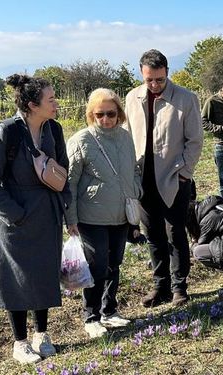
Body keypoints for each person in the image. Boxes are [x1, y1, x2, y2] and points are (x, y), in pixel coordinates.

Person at [0, 74, 71, 363]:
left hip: (47, 214)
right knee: (14, 279)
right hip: (14, 220)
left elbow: (64, 169)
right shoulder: (5, 132)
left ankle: (41, 334)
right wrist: (14, 215)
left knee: (43, 273)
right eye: (51, 99)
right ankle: (19, 342)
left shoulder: (53, 130)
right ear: (32, 104)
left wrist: (64, 206)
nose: (56, 103)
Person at [124, 49, 204, 308]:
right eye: (150, 80)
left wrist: (184, 174)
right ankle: (161, 286)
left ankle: (180, 287)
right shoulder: (132, 98)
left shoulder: (186, 98)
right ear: (141, 73)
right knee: (153, 234)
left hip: (173, 177)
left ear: (167, 72)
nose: (155, 85)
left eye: (159, 79)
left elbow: (195, 141)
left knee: (175, 233)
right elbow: (127, 135)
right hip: (142, 179)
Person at [66, 88, 142, 338]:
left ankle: (110, 310)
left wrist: (135, 191)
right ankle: (91, 316)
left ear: (119, 113)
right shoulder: (81, 140)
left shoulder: (124, 137)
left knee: (114, 263)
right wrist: (71, 219)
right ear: (91, 114)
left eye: (111, 113)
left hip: (121, 213)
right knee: (97, 266)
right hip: (91, 216)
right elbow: (70, 183)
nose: (106, 119)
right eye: (100, 114)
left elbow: (132, 170)